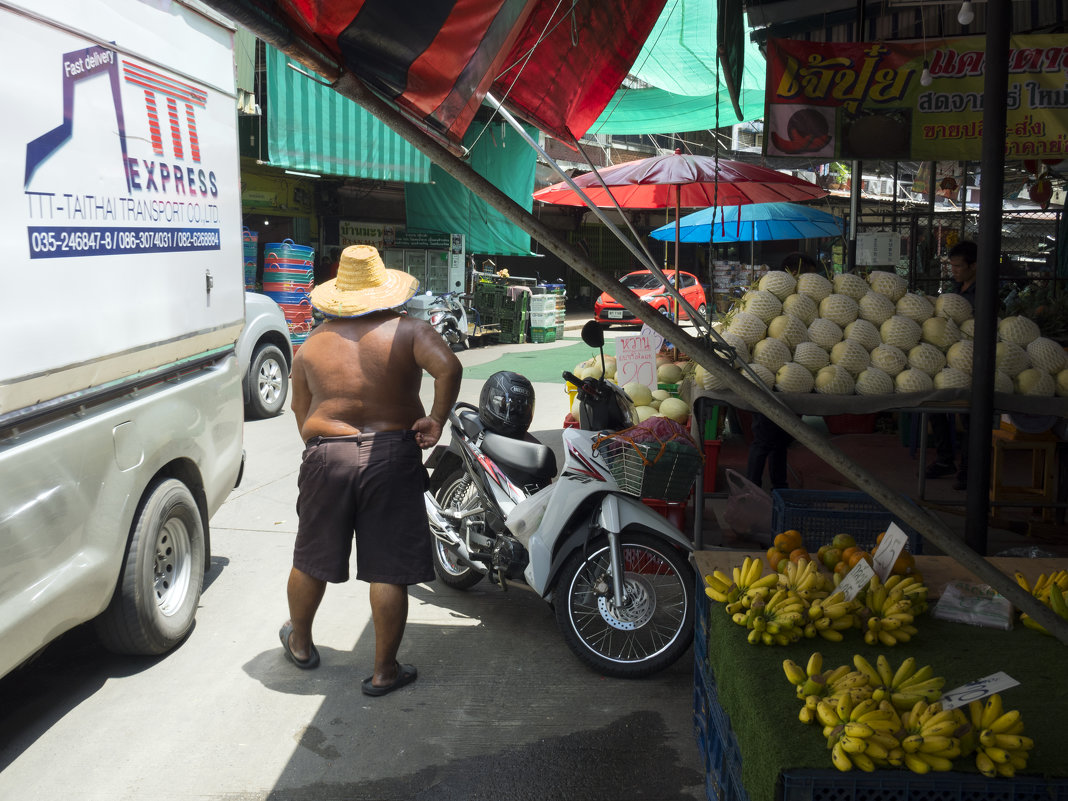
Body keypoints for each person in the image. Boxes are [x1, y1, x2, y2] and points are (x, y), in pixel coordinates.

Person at [279, 244, 462, 697]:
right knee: (388, 568)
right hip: (391, 454)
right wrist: (435, 419)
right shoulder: (411, 331)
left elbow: (300, 410)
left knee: (311, 557)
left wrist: (325, 445)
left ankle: (300, 644)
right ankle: (384, 671)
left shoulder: (313, 344)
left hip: (327, 453)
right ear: (385, 290)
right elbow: (449, 368)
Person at [744, 253, 821, 491]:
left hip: (792, 381)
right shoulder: (772, 298)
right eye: (810, 273)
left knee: (781, 440)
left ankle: (780, 487)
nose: (814, 278)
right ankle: (752, 488)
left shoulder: (803, 299)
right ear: (795, 272)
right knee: (764, 440)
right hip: (768, 382)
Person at [925, 239, 978, 490]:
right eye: (952, 266)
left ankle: (969, 470)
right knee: (935, 406)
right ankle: (945, 458)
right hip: (946, 354)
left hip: (970, 358)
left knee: (969, 416)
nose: (954, 270)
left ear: (974, 265)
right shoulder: (956, 288)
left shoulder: (983, 292)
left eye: (958, 266)